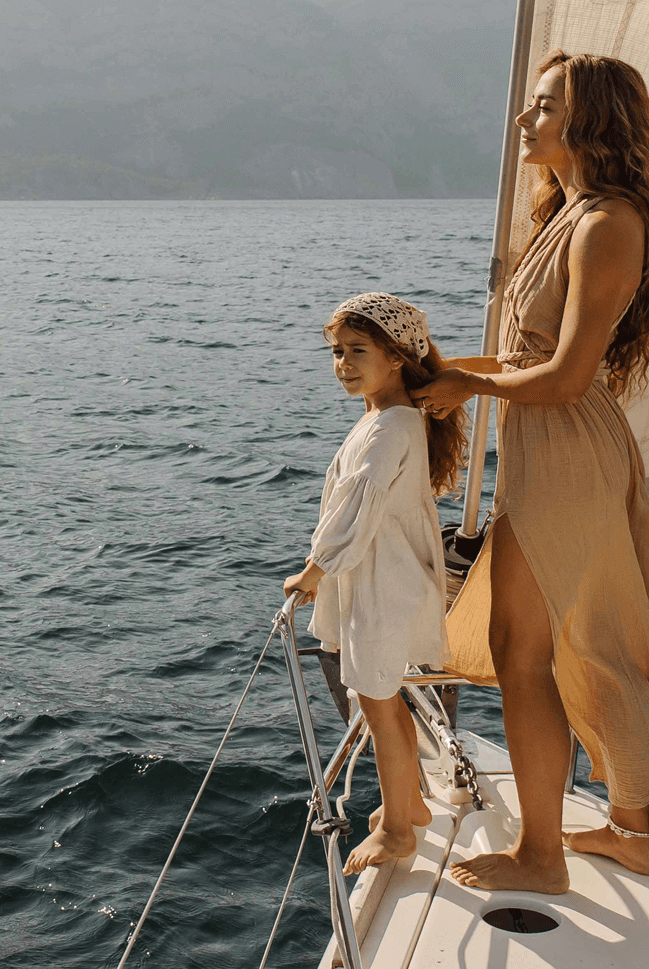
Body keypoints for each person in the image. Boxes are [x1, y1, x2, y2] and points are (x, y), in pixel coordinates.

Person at [411, 51, 649, 895]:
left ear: (589, 119)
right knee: (581, 637)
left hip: (568, 445)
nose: (523, 120)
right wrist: (434, 370)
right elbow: (528, 356)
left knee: (522, 647)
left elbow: (568, 375)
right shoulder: (570, 213)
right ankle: (629, 833)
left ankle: (541, 856)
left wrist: (469, 384)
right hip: (552, 446)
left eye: (542, 107)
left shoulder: (608, 222)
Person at [284, 292, 466, 875]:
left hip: (382, 585)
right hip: (379, 579)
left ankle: (396, 830)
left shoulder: (391, 426)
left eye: (358, 350)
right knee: (379, 698)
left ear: (398, 356)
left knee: (378, 702)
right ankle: (409, 803)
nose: (343, 363)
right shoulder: (383, 419)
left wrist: (314, 572)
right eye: (336, 352)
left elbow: (355, 510)